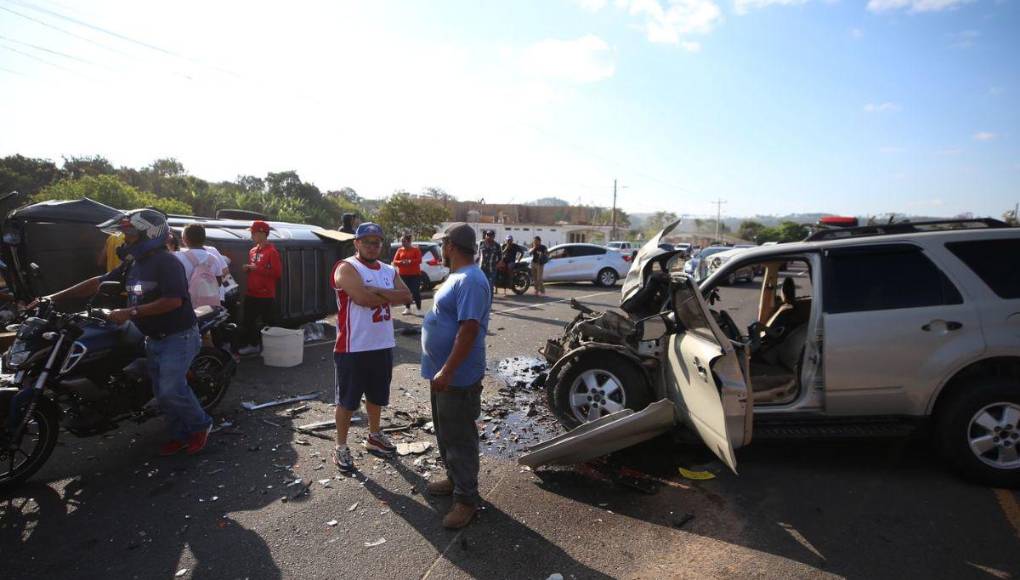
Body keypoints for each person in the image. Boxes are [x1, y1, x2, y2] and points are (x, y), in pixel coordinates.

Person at [35, 209, 211, 456]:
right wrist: (52, 297)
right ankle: (180, 434)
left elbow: (173, 301)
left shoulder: (167, 262)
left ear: (149, 234)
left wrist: (130, 312)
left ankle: (200, 425)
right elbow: (98, 282)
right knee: (161, 393)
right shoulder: (134, 263)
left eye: (129, 234)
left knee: (171, 390)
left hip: (177, 337)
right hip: (152, 337)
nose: (125, 239)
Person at [421, 222, 491, 529]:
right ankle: (454, 480)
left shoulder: (472, 279)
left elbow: (469, 329)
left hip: (457, 376)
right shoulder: (458, 276)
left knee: (460, 437)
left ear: (450, 246)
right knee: (445, 432)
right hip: (444, 375)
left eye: (442, 244)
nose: (440, 248)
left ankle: (466, 500)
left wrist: (448, 370)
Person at [331, 223, 412, 474]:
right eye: (366, 241)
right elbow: (361, 299)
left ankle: (374, 436)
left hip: (382, 344)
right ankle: (341, 446)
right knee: (347, 400)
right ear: (356, 243)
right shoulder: (346, 267)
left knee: (377, 396)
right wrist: (389, 294)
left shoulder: (388, 270)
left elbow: (407, 296)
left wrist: (376, 289)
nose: (372, 246)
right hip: (353, 346)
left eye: (376, 242)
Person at [237, 221, 282, 356]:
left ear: (263, 233)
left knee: (270, 322)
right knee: (248, 321)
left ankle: (274, 348)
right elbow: (256, 269)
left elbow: (277, 273)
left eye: (254, 232)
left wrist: (257, 269)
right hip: (252, 292)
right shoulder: (252, 251)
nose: (251, 235)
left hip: (266, 294)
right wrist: (248, 269)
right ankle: (253, 345)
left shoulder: (272, 251)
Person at [175, 224, 229, 309]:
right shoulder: (214, 259)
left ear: (185, 239)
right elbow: (218, 283)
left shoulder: (179, 257)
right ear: (204, 239)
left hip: (188, 304)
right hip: (209, 305)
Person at [393, 233, 423, 315]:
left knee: (415, 291)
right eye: (401, 241)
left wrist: (410, 261)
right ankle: (407, 308)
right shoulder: (399, 250)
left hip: (415, 275)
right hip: (403, 275)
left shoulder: (415, 250)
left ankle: (419, 308)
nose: (402, 243)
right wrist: (401, 262)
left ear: (409, 241)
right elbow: (395, 262)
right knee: (406, 292)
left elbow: (419, 260)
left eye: (404, 241)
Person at [477, 230, 500, 297]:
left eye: (491, 235)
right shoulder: (481, 243)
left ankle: (488, 305)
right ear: (486, 236)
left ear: (493, 236)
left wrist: (496, 265)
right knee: (480, 287)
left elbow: (500, 257)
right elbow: (479, 255)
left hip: (491, 270)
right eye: (488, 235)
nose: (489, 237)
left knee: (489, 287)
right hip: (481, 269)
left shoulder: (497, 245)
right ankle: (482, 304)